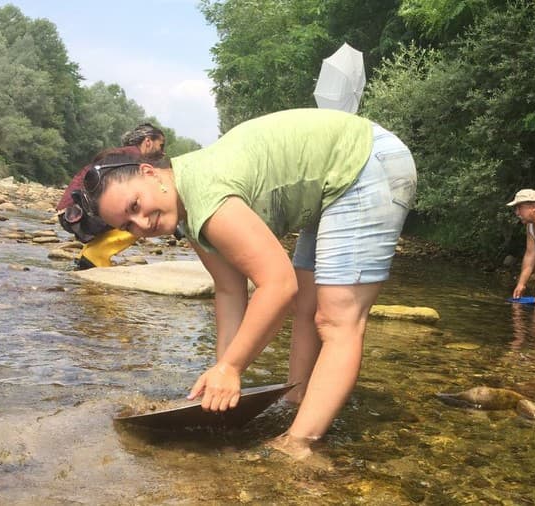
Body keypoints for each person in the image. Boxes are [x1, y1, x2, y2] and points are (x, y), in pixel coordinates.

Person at [79, 108, 416, 459]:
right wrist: (221, 381)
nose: (141, 223)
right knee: (308, 309)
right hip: (332, 182)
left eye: (135, 205)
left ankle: (299, 445)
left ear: (150, 173)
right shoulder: (185, 210)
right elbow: (229, 291)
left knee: (337, 320)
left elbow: (279, 284)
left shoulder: (205, 195)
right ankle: (295, 401)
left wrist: (231, 368)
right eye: (128, 224)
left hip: (364, 165)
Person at [56, 123, 167, 269]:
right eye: (161, 145)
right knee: (145, 218)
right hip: (79, 214)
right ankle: (95, 256)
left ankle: (85, 257)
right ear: (148, 142)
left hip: (71, 213)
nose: (163, 152)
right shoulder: (134, 160)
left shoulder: (122, 155)